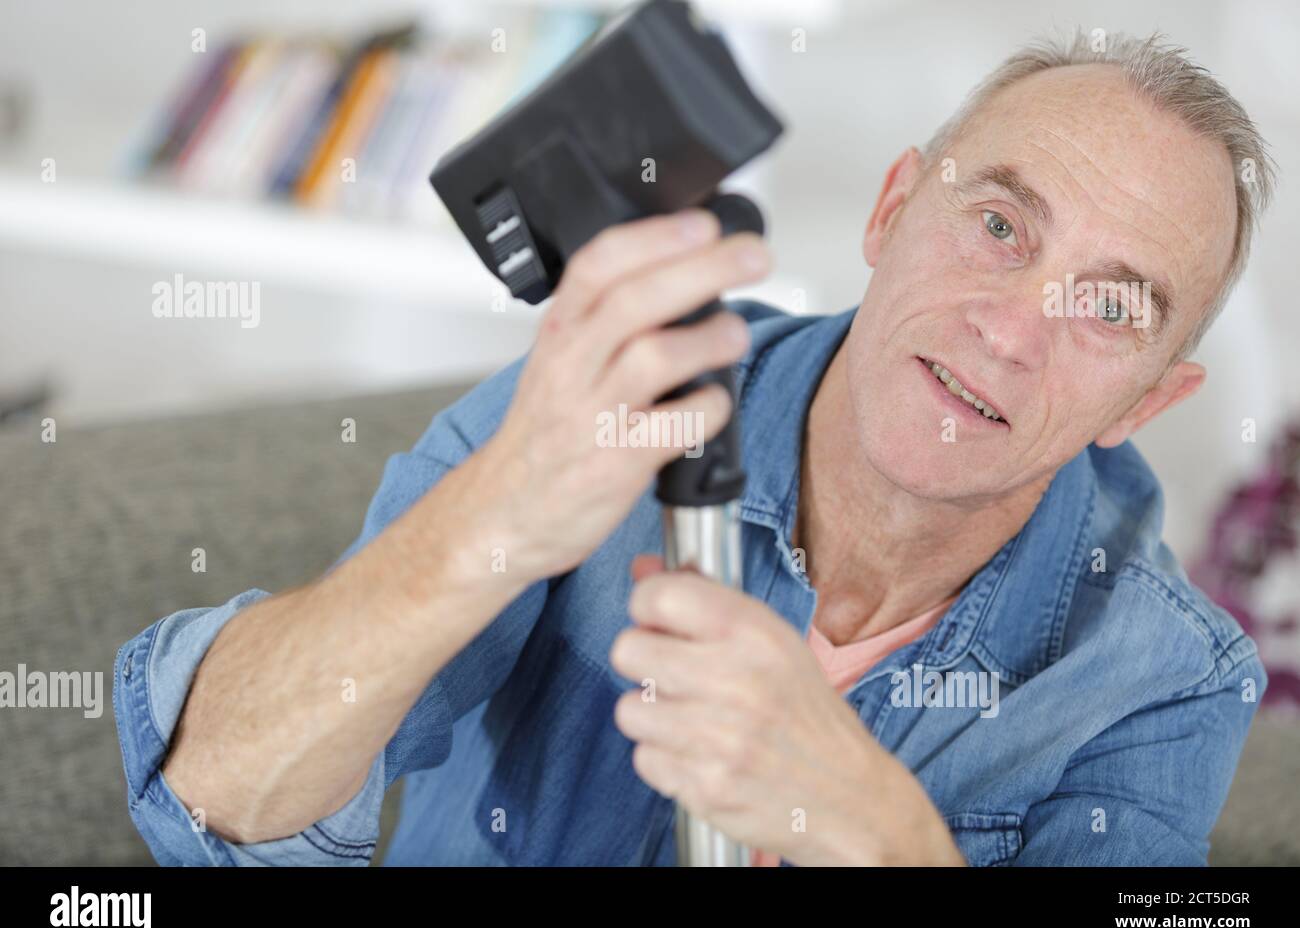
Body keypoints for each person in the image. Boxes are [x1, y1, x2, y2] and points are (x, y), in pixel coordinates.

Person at [115, 32, 1275, 866]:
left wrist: (873, 832)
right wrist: (492, 522)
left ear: (1146, 401)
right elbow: (217, 795)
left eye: (1111, 309)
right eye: (997, 225)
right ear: (889, 213)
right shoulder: (601, 403)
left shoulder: (1167, 678)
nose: (1011, 330)